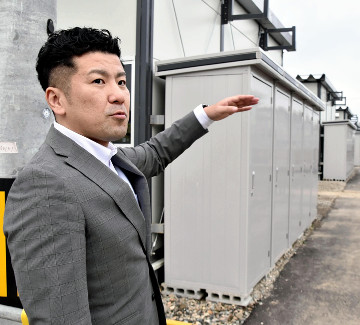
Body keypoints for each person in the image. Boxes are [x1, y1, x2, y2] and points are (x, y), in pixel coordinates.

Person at [3, 27, 258, 324]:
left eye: (122, 81)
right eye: (98, 81)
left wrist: (206, 114)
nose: (119, 95)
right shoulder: (44, 186)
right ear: (57, 100)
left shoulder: (112, 158)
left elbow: (156, 152)